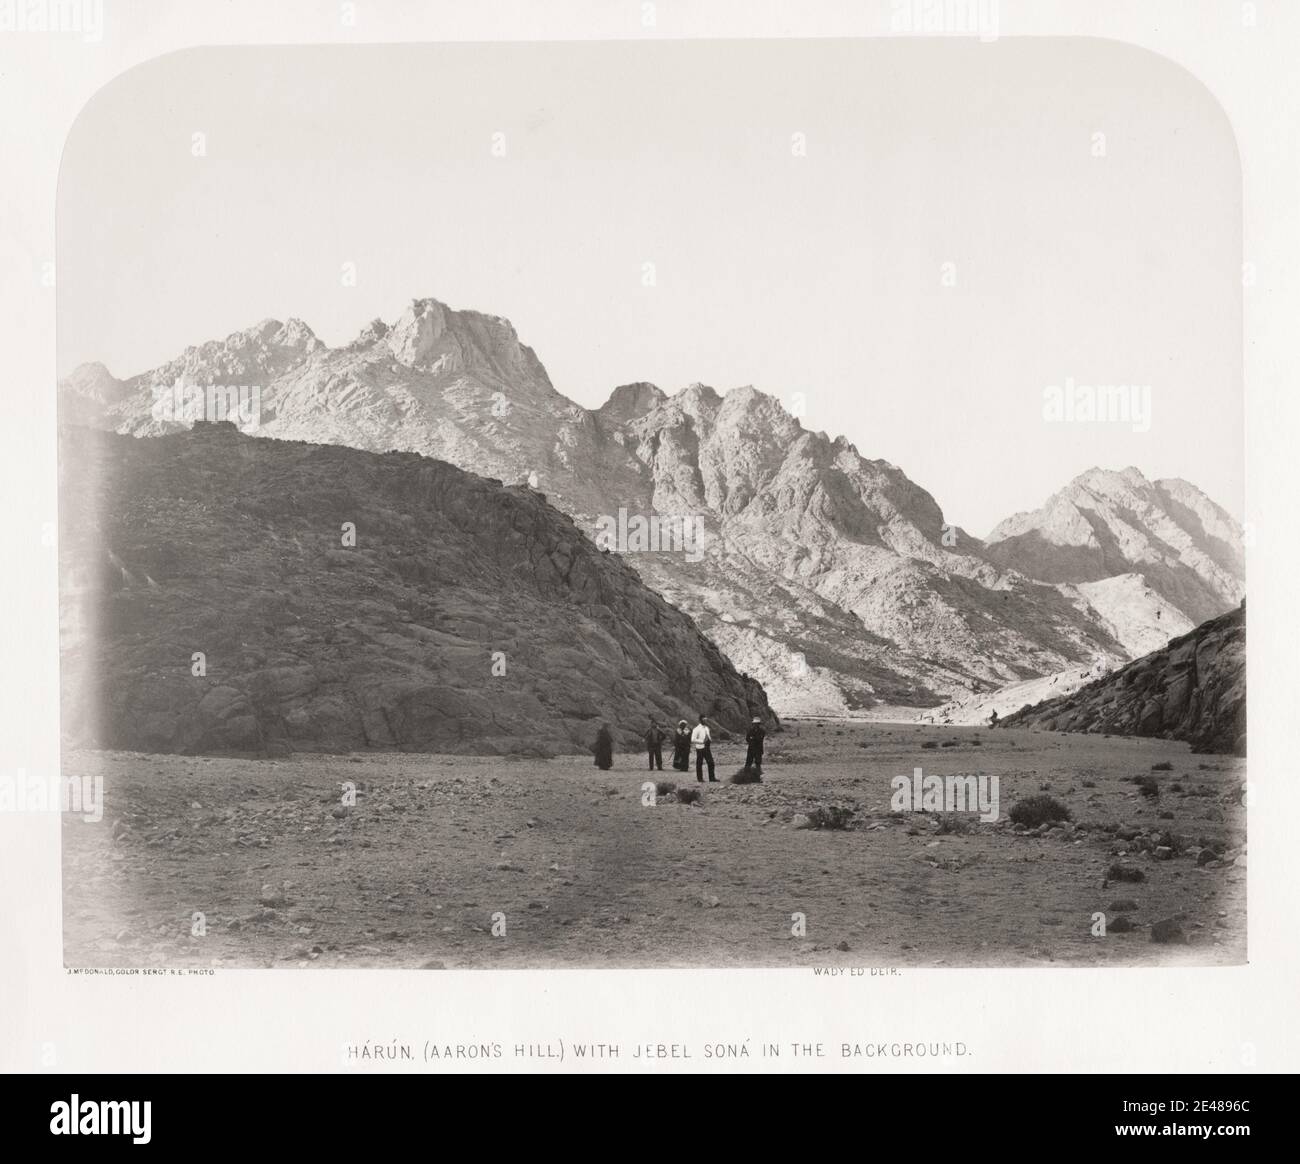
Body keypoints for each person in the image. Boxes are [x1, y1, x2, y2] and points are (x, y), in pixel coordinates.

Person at [691, 714, 717, 783]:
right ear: (700, 720)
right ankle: (700, 779)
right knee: (699, 763)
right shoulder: (696, 729)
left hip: (707, 747)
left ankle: (712, 778)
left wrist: (710, 739)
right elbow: (693, 739)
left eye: (706, 720)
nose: (705, 721)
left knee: (711, 762)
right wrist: (702, 741)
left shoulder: (706, 728)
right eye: (703, 720)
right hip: (700, 748)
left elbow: (708, 735)